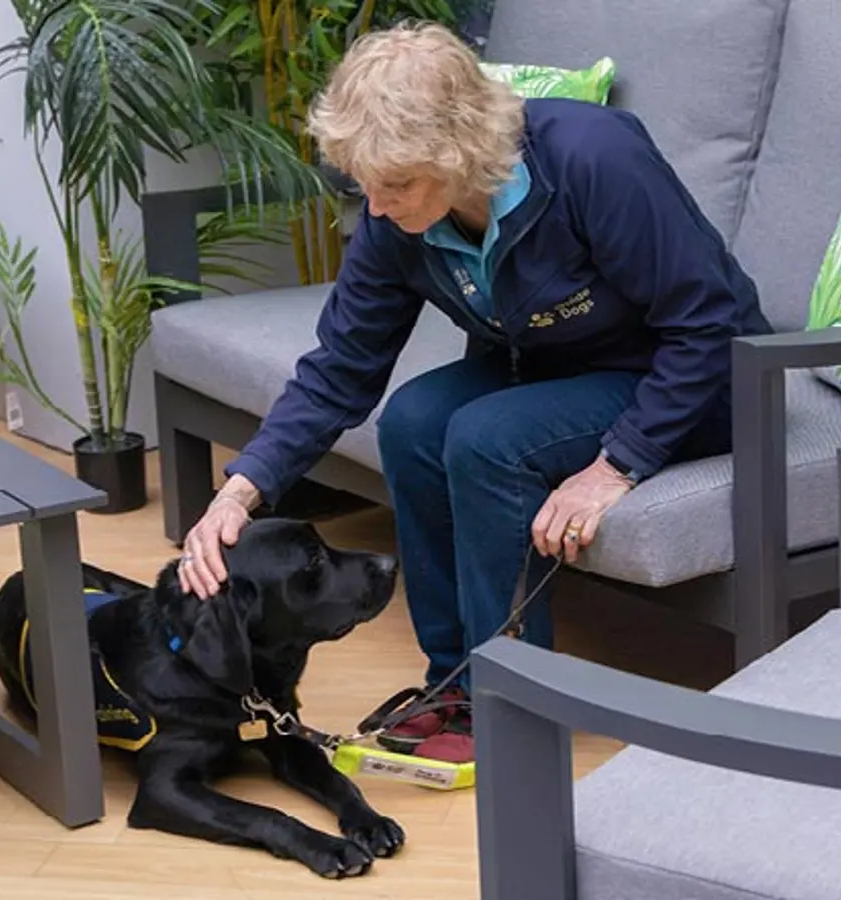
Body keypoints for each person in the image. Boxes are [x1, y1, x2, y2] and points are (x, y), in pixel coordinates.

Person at [174, 21, 772, 764]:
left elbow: (708, 323)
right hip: (563, 370)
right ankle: (455, 681)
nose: (381, 207)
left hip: (698, 380)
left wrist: (617, 465)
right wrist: (242, 490)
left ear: (461, 151)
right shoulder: (398, 214)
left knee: (487, 439)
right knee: (415, 422)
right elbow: (341, 367)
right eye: (369, 185)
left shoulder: (595, 159)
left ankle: (516, 699)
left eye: (398, 185)